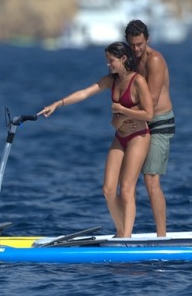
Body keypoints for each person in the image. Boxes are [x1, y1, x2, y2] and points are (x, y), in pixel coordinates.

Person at [38, 41, 153, 238]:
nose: (108, 64)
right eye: (107, 60)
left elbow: (149, 114)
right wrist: (58, 103)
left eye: (111, 60)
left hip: (138, 137)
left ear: (123, 59)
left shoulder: (138, 81)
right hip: (120, 137)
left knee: (126, 189)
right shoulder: (112, 80)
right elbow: (85, 92)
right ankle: (120, 232)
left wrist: (122, 112)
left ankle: (126, 236)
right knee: (108, 190)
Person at [124, 20, 175, 237]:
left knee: (151, 179)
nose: (136, 49)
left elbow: (151, 101)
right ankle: (124, 232)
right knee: (127, 180)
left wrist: (123, 112)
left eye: (140, 44)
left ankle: (162, 236)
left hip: (160, 122)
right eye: (132, 44)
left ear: (148, 40)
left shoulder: (155, 60)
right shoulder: (130, 59)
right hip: (139, 120)